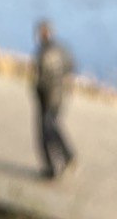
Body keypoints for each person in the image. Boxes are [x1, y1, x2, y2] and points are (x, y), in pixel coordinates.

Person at [32, 19, 75, 179]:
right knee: (54, 127)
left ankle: (51, 169)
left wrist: (37, 93)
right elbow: (71, 66)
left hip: (47, 99)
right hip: (60, 97)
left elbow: (40, 80)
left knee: (45, 133)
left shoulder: (42, 53)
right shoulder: (62, 49)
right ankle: (68, 156)